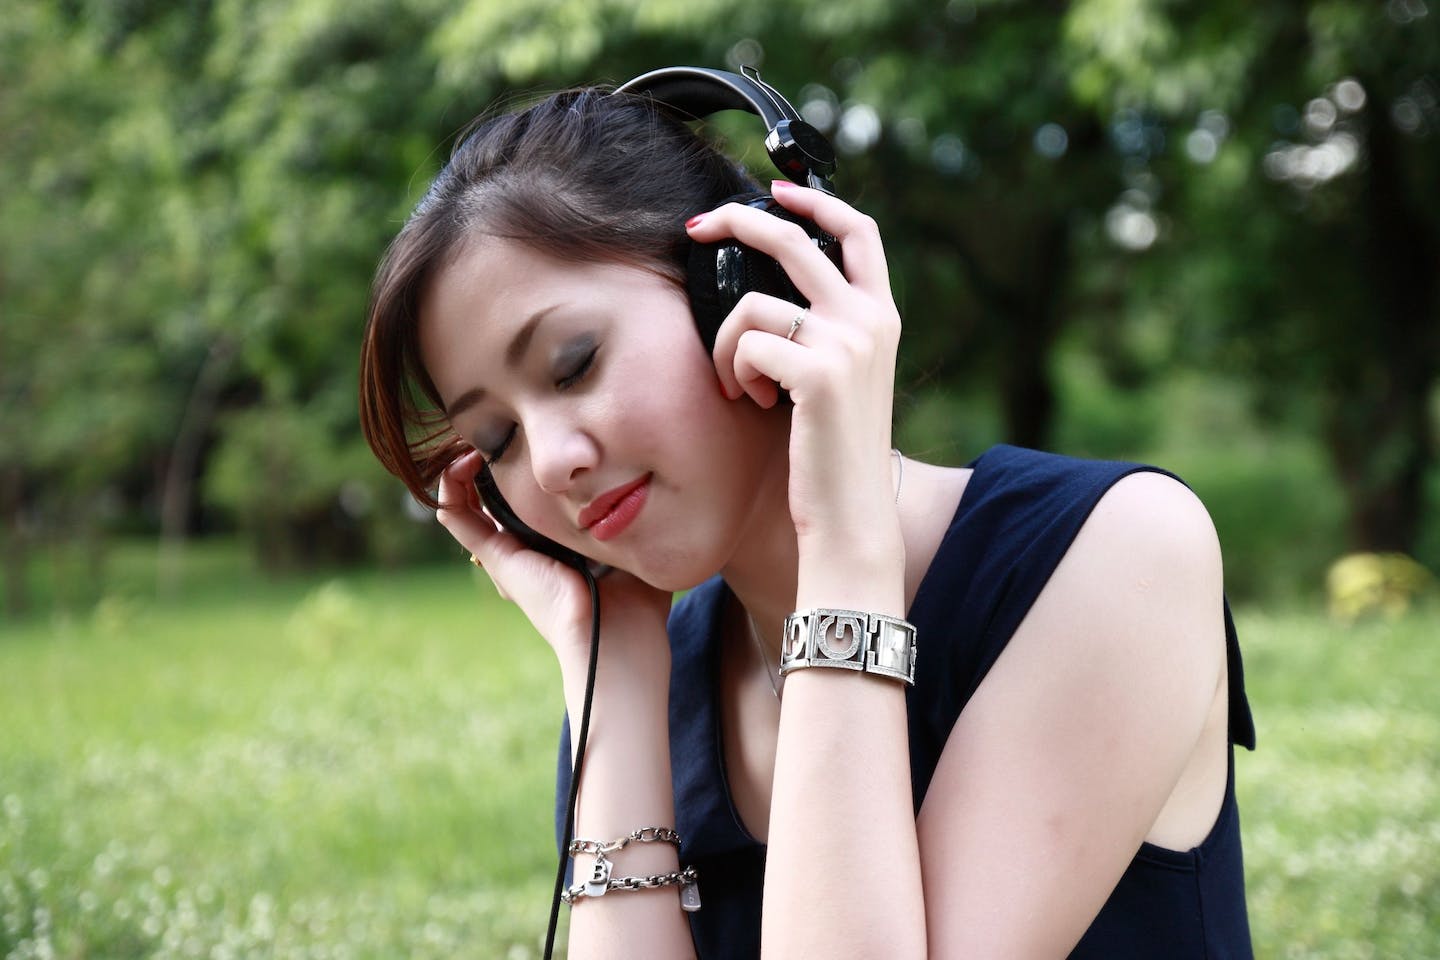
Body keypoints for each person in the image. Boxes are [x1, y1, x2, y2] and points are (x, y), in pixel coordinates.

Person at [358, 78, 1256, 959]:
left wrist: (845, 545)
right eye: (497, 436)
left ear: (745, 281)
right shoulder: (652, 677)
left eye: (573, 362)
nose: (551, 463)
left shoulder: (1122, 553)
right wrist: (614, 672)